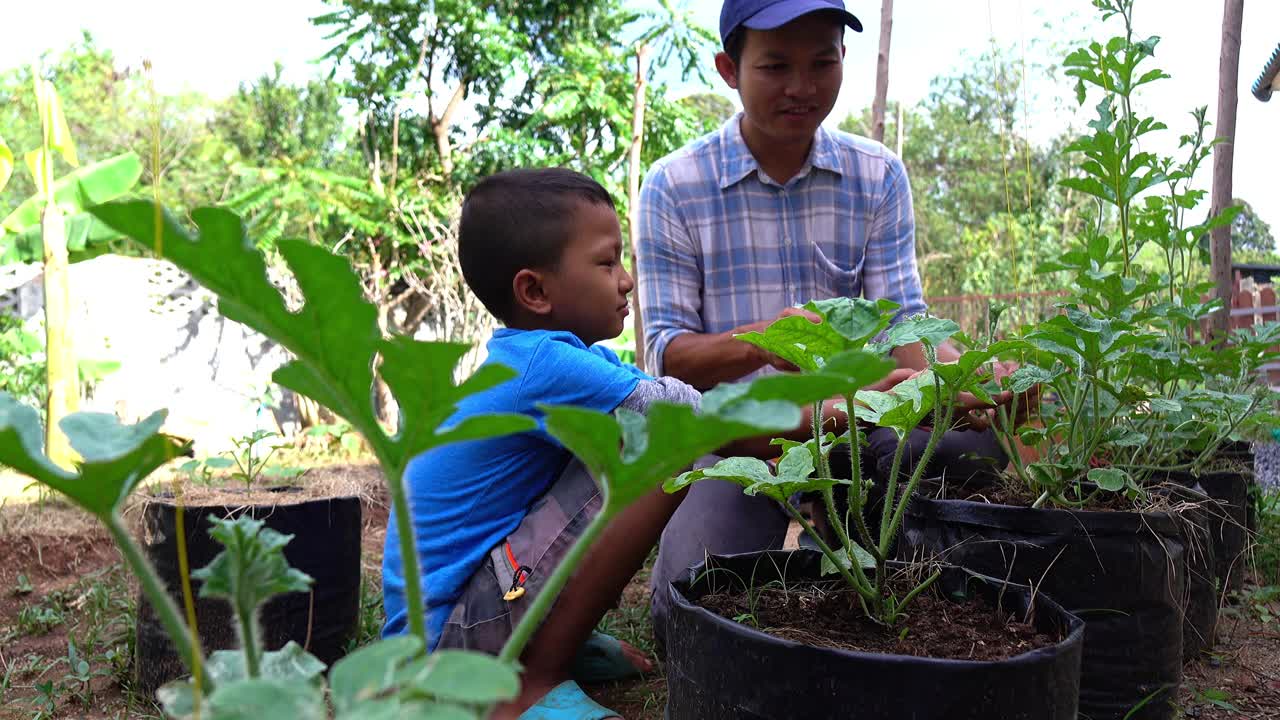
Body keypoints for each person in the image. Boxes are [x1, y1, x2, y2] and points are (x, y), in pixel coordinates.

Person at [381, 168, 879, 720]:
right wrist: (874, 402)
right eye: (606, 261)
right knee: (661, 445)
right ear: (535, 291)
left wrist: (870, 393)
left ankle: (543, 643)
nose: (626, 280)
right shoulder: (544, 365)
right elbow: (704, 423)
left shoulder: (552, 360)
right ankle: (525, 682)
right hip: (445, 647)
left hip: (450, 622)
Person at [636, 0, 1008, 641]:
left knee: (972, 461)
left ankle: (850, 542)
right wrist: (762, 344)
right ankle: (818, 544)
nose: (802, 88)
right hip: (742, 439)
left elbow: (903, 327)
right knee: (690, 616)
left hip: (859, 429)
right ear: (731, 69)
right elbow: (667, 355)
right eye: (776, 65)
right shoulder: (675, 185)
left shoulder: (877, 175)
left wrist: (964, 377)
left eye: (822, 63)